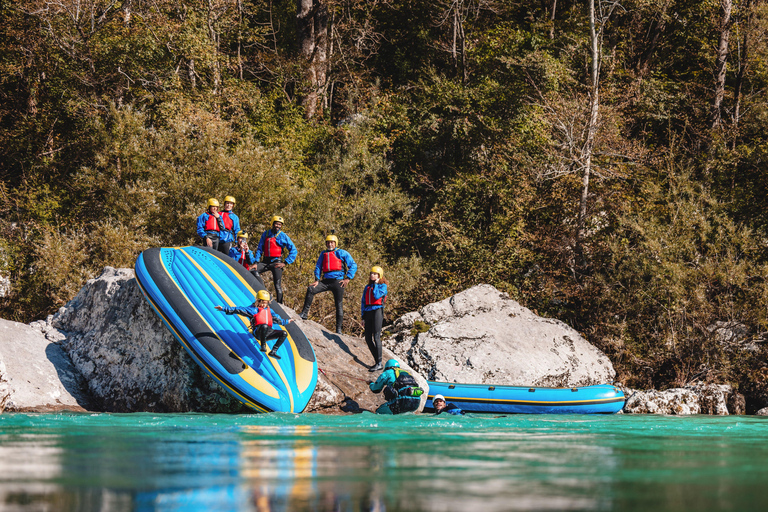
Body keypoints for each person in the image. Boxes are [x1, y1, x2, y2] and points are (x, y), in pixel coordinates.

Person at [299, 234, 357, 334]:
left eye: (332, 242)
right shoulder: (323, 253)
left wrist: (348, 278)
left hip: (338, 282)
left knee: (338, 305)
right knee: (311, 289)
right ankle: (304, 314)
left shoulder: (342, 253)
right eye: (328, 242)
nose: (330, 244)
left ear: (335, 243)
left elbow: (353, 265)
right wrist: (317, 279)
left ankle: (338, 330)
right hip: (326, 281)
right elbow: (318, 266)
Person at [214, 290, 292, 359]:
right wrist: (224, 308)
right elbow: (238, 310)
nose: (264, 305)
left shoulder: (269, 311)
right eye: (263, 303)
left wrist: (286, 321)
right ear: (258, 301)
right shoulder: (252, 309)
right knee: (264, 326)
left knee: (284, 333)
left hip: (268, 333)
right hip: (258, 332)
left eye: (266, 303)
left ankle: (273, 351)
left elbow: (277, 320)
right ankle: (263, 346)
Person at [253, 216, 297, 304]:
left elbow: (293, 250)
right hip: (265, 262)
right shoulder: (266, 234)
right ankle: (263, 290)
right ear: (272, 224)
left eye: (280, 225)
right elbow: (259, 249)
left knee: (277, 285)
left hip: (277, 262)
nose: (278, 226)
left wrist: (285, 263)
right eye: (276, 224)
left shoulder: (283, 236)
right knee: (253, 270)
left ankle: (280, 305)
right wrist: (256, 262)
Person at [361, 266, 388, 372]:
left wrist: (376, 284)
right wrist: (363, 317)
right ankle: (377, 361)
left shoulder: (383, 286)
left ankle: (379, 363)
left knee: (376, 337)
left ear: (379, 276)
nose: (372, 275)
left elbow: (376, 296)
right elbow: (363, 302)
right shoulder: (367, 287)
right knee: (367, 338)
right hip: (368, 312)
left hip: (377, 311)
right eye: (371, 273)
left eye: (375, 274)